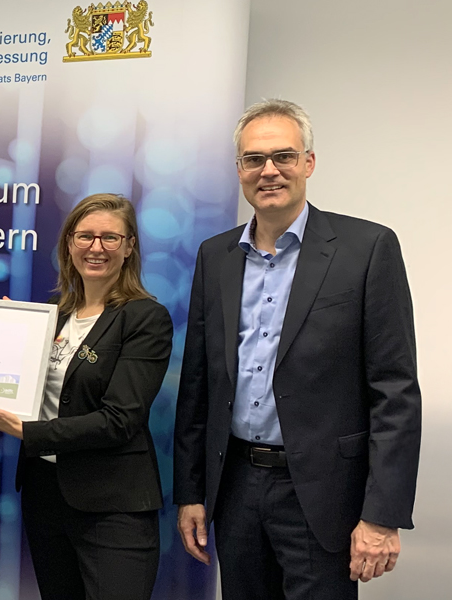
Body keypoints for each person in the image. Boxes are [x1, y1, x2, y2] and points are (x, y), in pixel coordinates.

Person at [173, 99, 422, 599]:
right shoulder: (216, 256)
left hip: (323, 494)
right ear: (239, 170)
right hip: (235, 487)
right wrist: (191, 492)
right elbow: (198, 383)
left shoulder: (367, 248)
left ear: (308, 162)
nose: (269, 171)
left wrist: (381, 515)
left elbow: (395, 391)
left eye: (283, 156)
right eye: (253, 159)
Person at [0, 193, 172, 600]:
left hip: (112, 505)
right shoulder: (51, 310)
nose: (96, 248)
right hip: (46, 495)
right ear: (69, 243)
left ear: (129, 246)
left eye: (110, 238)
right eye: (85, 236)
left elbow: (120, 420)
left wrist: (30, 432)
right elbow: (18, 380)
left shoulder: (145, 318)